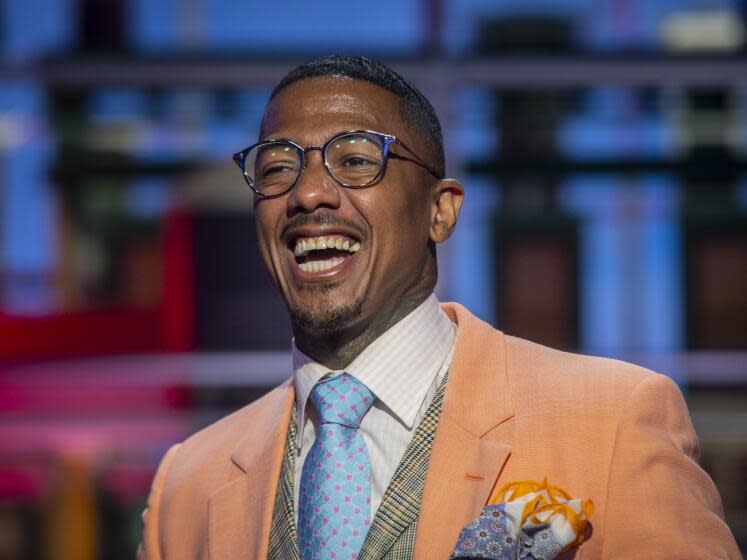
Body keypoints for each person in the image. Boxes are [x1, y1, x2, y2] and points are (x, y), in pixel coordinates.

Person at [138, 55, 741, 560]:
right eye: (276, 168)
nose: (309, 193)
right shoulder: (188, 484)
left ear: (440, 211)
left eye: (354, 160)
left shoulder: (613, 422)